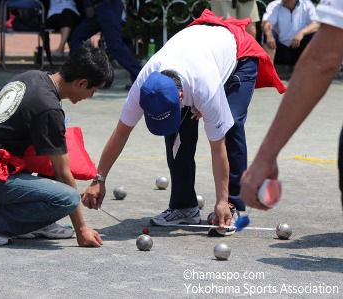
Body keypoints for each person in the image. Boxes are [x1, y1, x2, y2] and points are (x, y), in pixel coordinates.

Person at [82, 10, 285, 236]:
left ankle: (232, 206)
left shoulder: (204, 87)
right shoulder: (144, 85)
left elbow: (218, 149)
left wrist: (221, 199)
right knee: (178, 128)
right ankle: (183, 206)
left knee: (231, 125)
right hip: (199, 56)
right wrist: (99, 179)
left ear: (181, 97)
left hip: (239, 56)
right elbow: (120, 133)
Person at [0, 41, 113, 246]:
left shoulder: (31, 76)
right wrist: (81, 229)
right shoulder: (49, 108)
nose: (91, 96)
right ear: (81, 83)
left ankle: (40, 221)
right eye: (93, 90)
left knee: (51, 147)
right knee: (68, 198)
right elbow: (62, 173)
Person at [240, 0, 343, 210]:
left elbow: (323, 58)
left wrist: (266, 156)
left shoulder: (306, 6)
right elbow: (267, 23)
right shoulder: (276, 7)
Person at [69, 0, 141, 87]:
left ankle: (139, 75)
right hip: (97, 9)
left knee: (115, 46)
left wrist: (88, 5)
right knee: (77, 36)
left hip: (108, 7)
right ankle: (78, 74)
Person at [262, 0, 319, 68]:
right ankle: (268, 72)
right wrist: (269, 35)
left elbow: (316, 24)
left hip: (300, 49)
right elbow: (265, 23)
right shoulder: (274, 4)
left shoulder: (307, 4)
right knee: (267, 33)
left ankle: (312, 70)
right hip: (279, 50)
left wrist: (302, 32)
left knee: (314, 34)